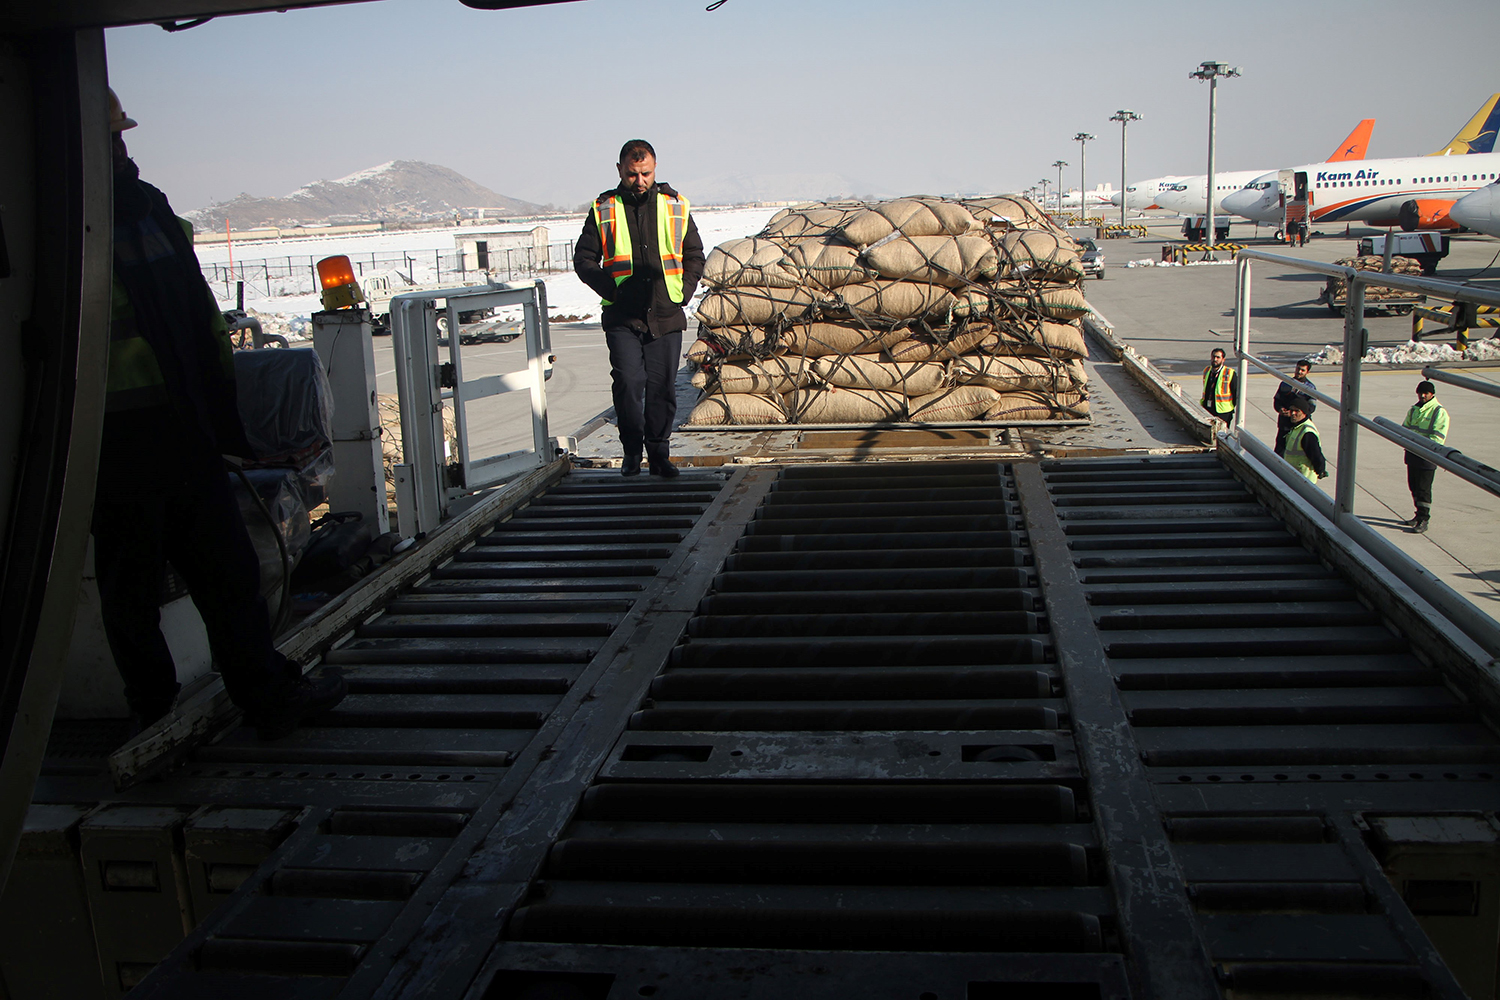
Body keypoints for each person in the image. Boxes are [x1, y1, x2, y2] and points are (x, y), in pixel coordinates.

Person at [97, 89, 346, 739]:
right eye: (108, 136)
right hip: (112, 439)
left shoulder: (145, 210)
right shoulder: (68, 222)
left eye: (121, 135)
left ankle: (263, 694)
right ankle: (153, 715)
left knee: (228, 569)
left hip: (181, 428)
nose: (120, 147)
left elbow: (196, 320)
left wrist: (221, 418)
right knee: (133, 586)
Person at [574, 139, 705, 478]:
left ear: (655, 169)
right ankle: (632, 451)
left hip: (665, 314)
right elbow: (583, 259)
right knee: (629, 384)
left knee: (661, 389)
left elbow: (694, 255)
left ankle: (659, 454)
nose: (640, 180)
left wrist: (683, 293)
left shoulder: (675, 205)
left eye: (646, 173)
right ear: (620, 170)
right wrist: (611, 290)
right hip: (623, 317)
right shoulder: (604, 208)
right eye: (633, 174)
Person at [1400, 379, 1449, 533]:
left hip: (1426, 456)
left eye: (1425, 393)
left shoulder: (1438, 412)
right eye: (1420, 392)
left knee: (1423, 488)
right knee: (1413, 485)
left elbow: (1438, 437)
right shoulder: (1414, 410)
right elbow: (1405, 428)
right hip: (1412, 453)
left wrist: (1423, 447)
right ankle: (1418, 514)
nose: (1422, 395)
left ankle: (1424, 519)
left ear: (1432, 394)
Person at [1274, 395, 1327, 483]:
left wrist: (1320, 470)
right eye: (1291, 410)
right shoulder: (1296, 428)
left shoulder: (1307, 432)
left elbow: (1316, 455)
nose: (1293, 413)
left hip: (1304, 480)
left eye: (1297, 411)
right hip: (1294, 478)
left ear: (1304, 412)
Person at [1273, 360, 1317, 452]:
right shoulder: (1285, 383)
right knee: (1280, 450)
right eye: (1298, 369)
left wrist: (1296, 413)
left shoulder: (1310, 388)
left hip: (1299, 426)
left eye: (1302, 370)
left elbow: (1311, 408)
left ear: (1307, 372)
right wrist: (1281, 409)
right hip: (1284, 424)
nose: (1299, 372)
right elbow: (1277, 400)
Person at [1200, 347, 1238, 426]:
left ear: (1223, 359)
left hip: (1223, 411)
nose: (1215, 359)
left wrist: (1230, 406)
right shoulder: (1207, 370)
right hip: (1208, 408)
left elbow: (1235, 392)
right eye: (1213, 357)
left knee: (1222, 434)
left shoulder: (1230, 373)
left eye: (1218, 357)